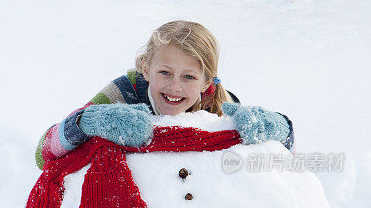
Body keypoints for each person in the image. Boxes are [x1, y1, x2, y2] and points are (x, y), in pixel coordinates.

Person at [35, 20, 294, 170]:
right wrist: (88, 122)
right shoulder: (124, 93)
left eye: (189, 77)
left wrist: (280, 128)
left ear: (207, 81)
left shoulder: (221, 106)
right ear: (146, 68)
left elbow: (281, 159)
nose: (175, 87)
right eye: (165, 72)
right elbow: (43, 153)